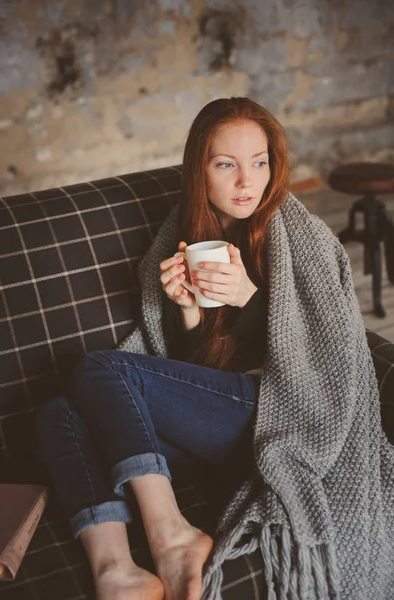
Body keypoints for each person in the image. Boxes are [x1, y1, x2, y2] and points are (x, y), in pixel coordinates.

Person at [36, 97, 394, 600]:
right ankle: (116, 569)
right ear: (199, 171)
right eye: (227, 165)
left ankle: (172, 534)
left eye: (259, 162)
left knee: (100, 370)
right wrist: (186, 311)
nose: (247, 182)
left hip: (282, 415)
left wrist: (250, 298)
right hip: (223, 430)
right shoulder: (181, 235)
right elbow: (194, 377)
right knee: (61, 414)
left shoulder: (302, 236)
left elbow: (327, 356)